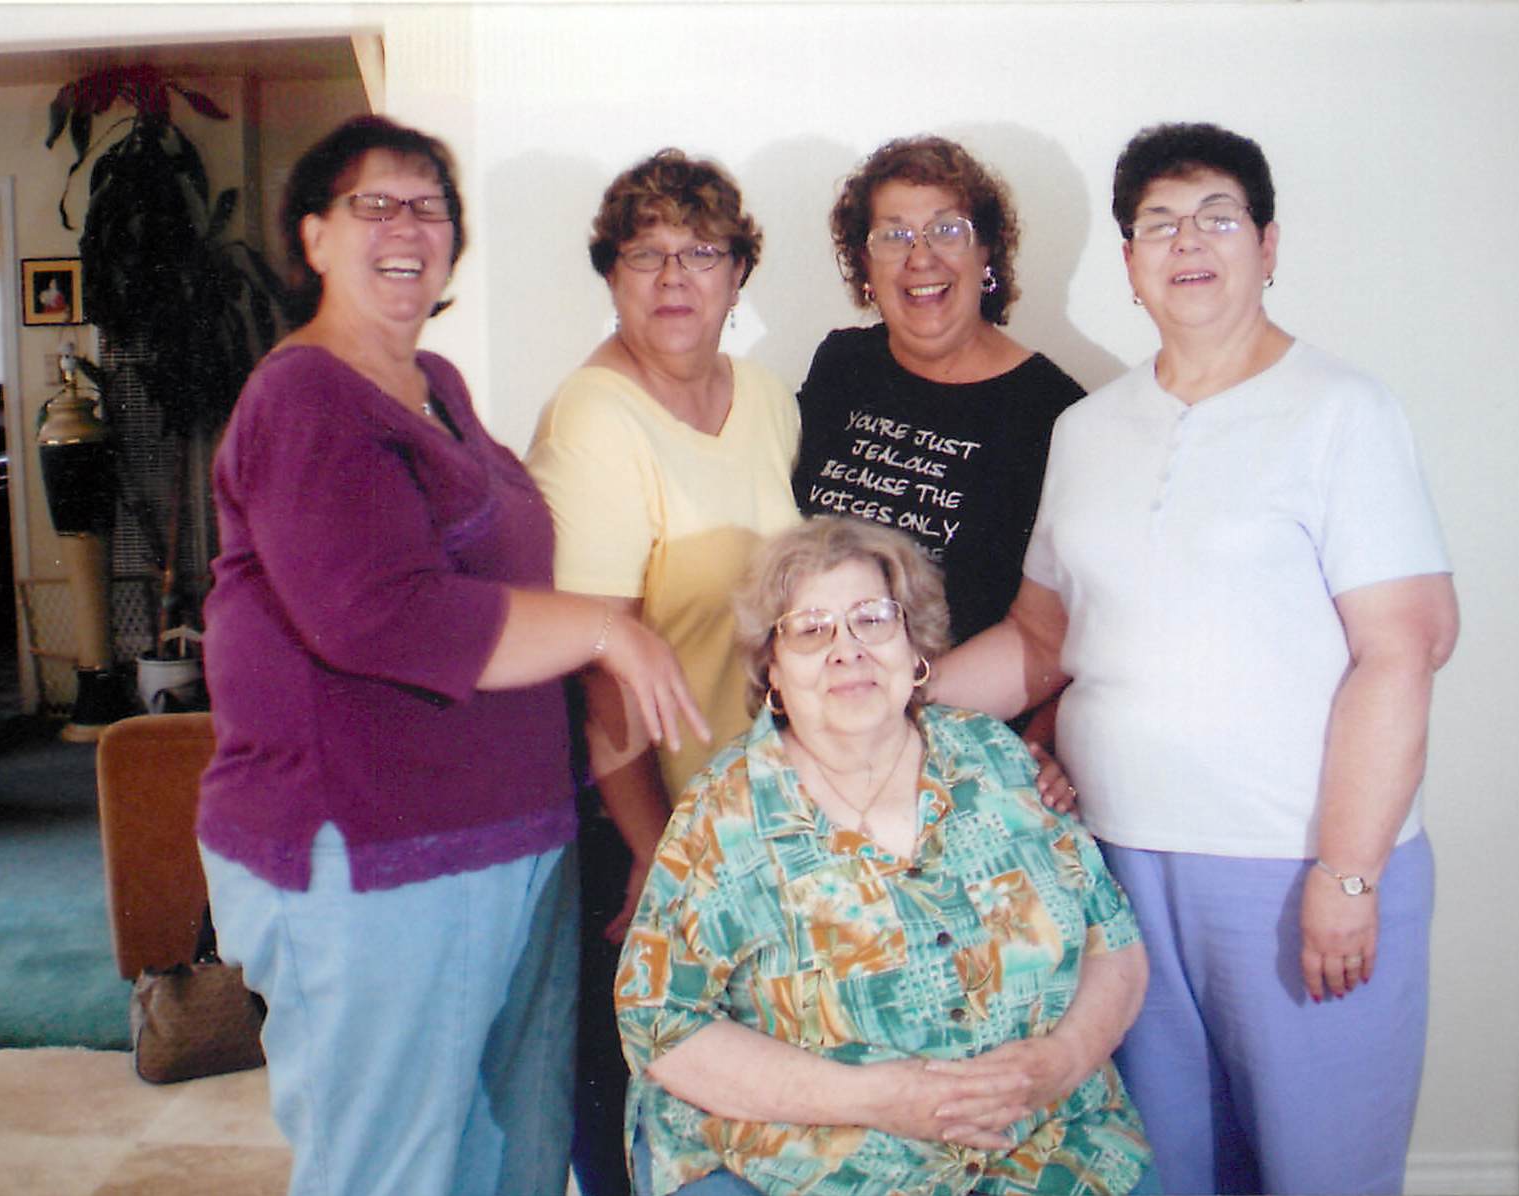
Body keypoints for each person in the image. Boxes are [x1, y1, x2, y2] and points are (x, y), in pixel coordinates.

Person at [933, 122, 1459, 1196]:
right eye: (1158, 222)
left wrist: (1348, 873)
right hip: (1116, 867)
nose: (1187, 241)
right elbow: (1041, 640)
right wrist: (886, 696)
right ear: (1129, 262)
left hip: (1293, 870)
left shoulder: (1342, 412)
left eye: (1217, 217)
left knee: (1320, 1173)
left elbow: (1402, 651)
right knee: (1161, 1168)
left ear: (1268, 244)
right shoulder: (1088, 430)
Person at [196, 116, 705, 1196]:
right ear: (313, 238)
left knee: (512, 1159)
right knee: (391, 1168)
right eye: (373, 204)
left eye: (428, 206)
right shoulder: (302, 397)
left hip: (508, 835)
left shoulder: (433, 383)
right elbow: (378, 614)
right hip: (373, 849)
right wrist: (606, 629)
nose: (405, 227)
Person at [615, 516, 1156, 1196]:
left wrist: (1064, 1060)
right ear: (772, 672)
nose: (847, 651)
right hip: (820, 1161)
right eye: (811, 630)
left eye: (872, 619)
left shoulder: (996, 759)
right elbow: (660, 1022)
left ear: (914, 647)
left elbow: (1116, 943)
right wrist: (872, 1099)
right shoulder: (726, 816)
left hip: (1046, 1146)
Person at [525, 148, 802, 1196]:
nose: (676, 277)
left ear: (739, 273)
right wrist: (655, 850)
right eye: (646, 254)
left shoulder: (766, 398)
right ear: (611, 273)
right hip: (640, 817)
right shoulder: (597, 417)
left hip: (750, 816)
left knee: (747, 1109)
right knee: (636, 1103)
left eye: (702, 252)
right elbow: (601, 662)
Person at [793, 134, 1084, 648]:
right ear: (865, 266)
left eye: (947, 230)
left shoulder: (1053, 412)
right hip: (810, 677)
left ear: (987, 252)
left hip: (949, 692)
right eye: (894, 235)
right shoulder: (842, 365)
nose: (920, 258)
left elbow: (1050, 633)